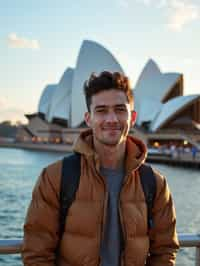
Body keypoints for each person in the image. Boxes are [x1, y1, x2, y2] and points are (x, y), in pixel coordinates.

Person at [22, 71, 179, 266]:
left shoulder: (155, 184)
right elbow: (36, 254)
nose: (112, 119)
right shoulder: (56, 177)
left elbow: (165, 252)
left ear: (133, 117)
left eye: (120, 110)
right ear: (88, 119)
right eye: (102, 110)